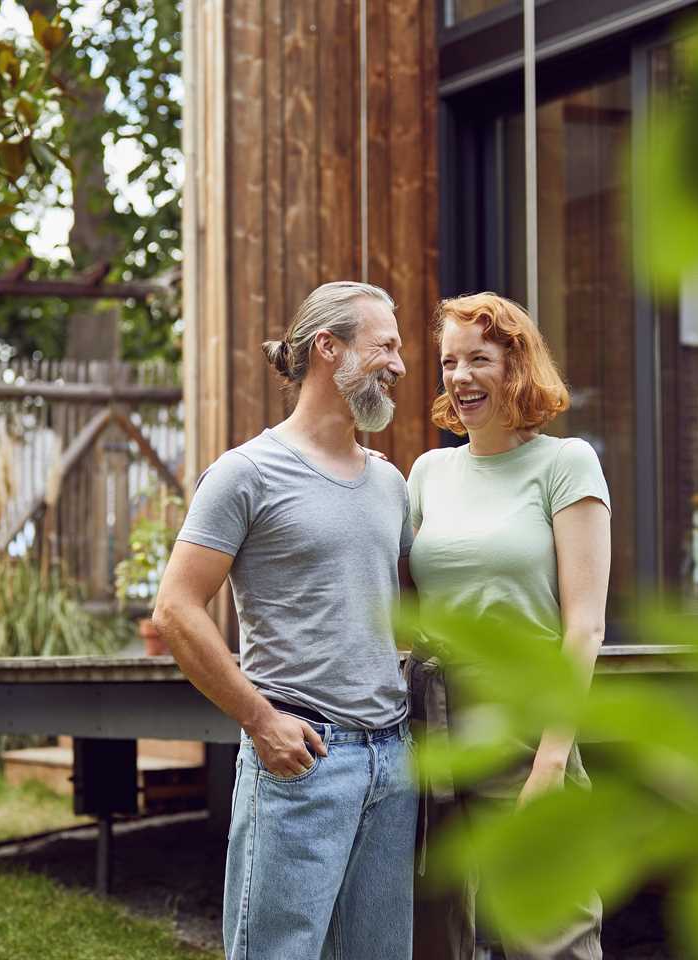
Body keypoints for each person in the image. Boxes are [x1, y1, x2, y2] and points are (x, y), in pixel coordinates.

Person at [152, 280, 418, 960]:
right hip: (303, 758)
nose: (400, 363)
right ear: (329, 348)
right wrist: (260, 721)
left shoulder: (391, 482)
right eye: (385, 345)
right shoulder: (247, 473)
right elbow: (177, 609)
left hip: (391, 762)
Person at [405, 292, 611, 960]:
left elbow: (585, 628)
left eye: (478, 359)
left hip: (525, 721)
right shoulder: (429, 473)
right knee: (433, 935)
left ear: (516, 365)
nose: (460, 377)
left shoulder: (565, 463)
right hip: (429, 725)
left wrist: (551, 759)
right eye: (448, 362)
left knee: (550, 931)